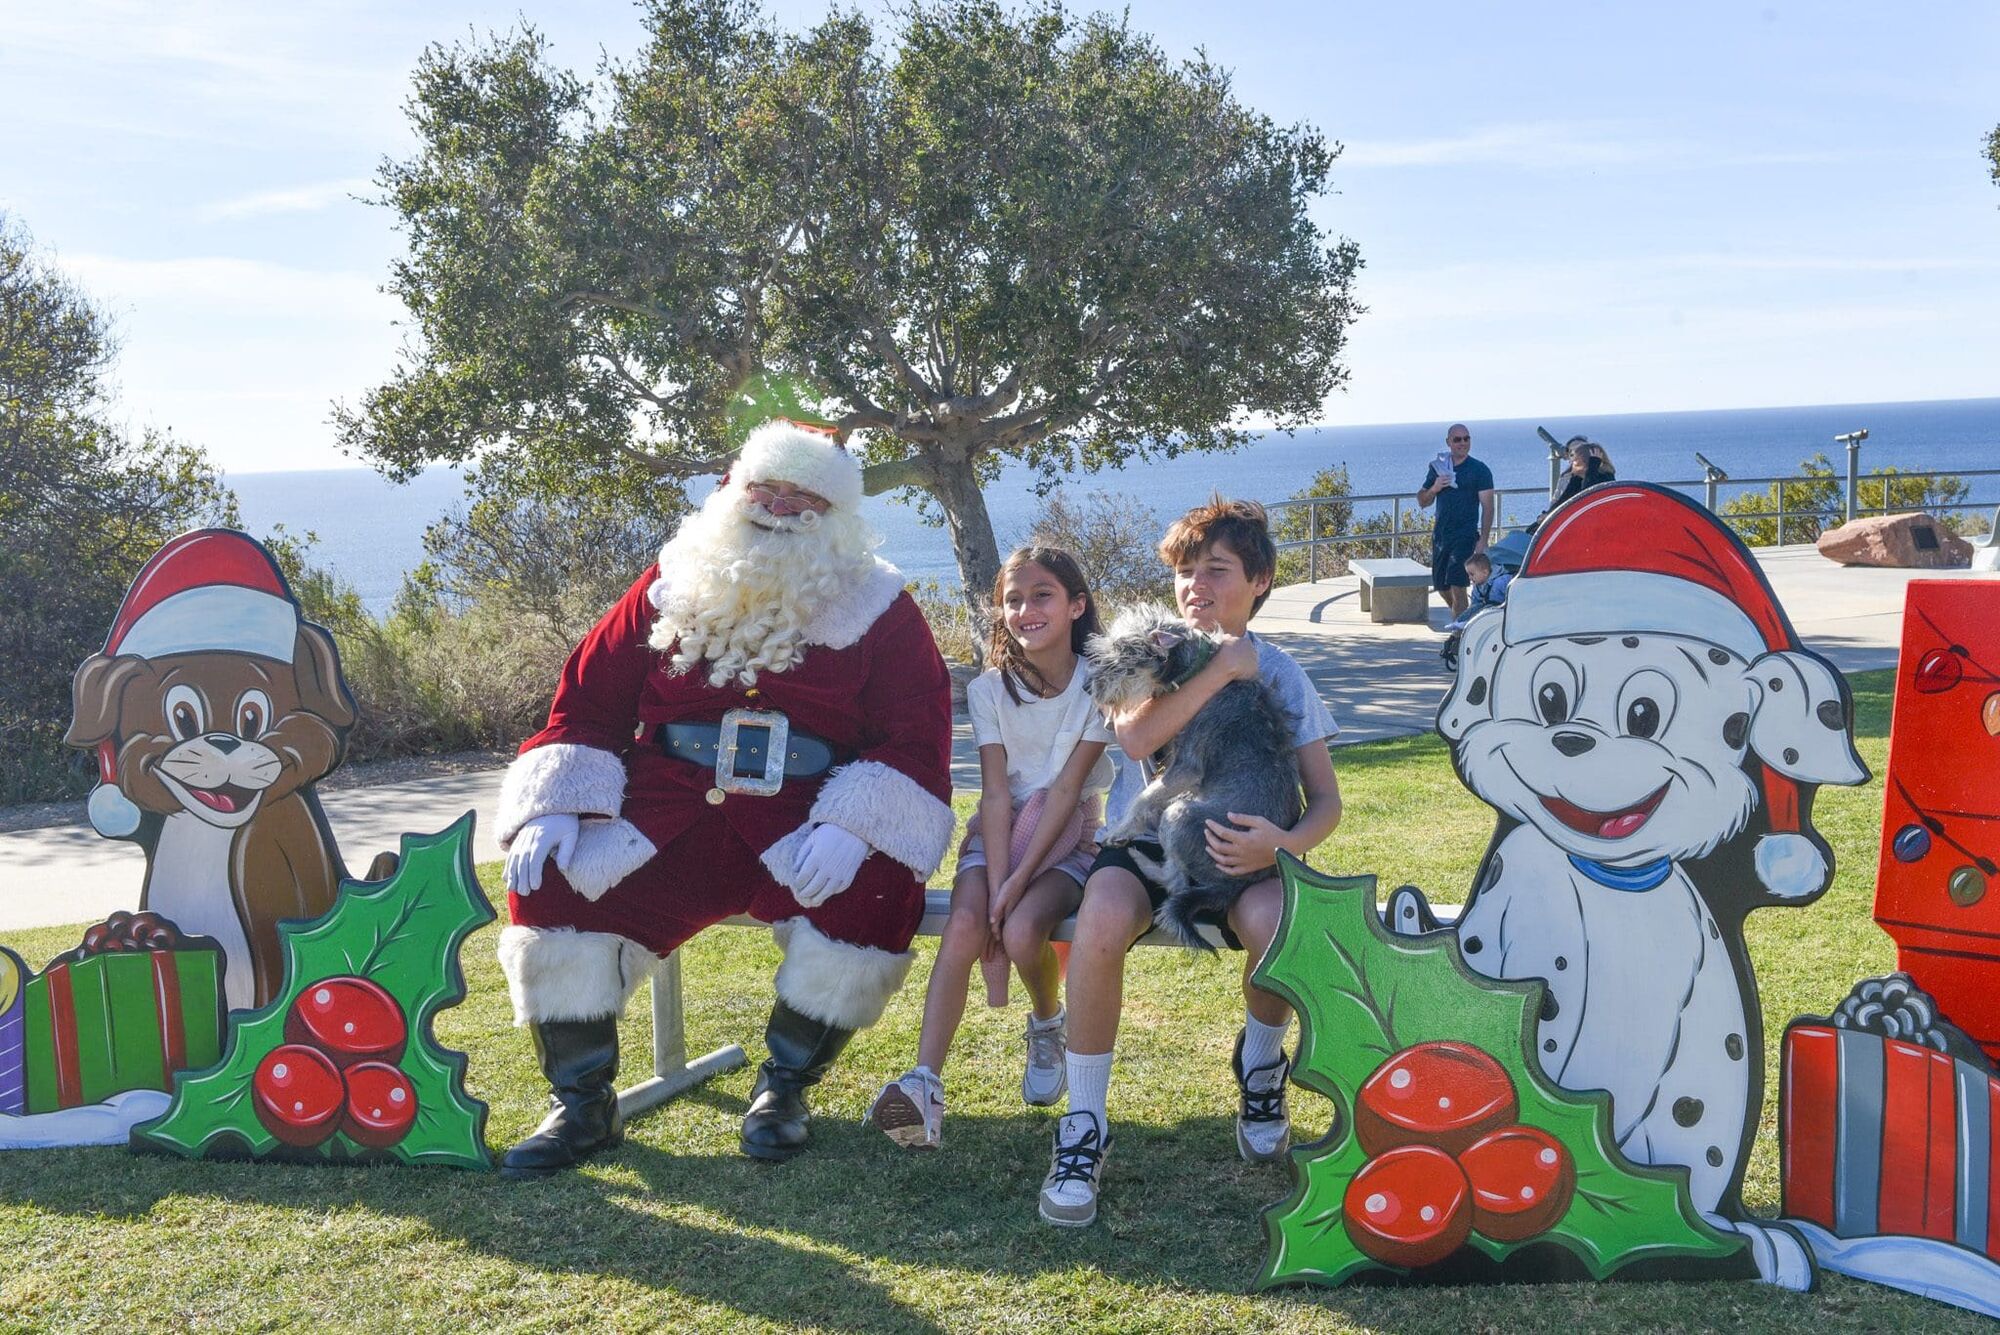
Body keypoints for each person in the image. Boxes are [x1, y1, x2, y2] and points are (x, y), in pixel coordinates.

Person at [494, 420, 955, 1176]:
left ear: (836, 517)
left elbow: (915, 739)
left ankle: (784, 1090)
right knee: (548, 878)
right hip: (664, 820)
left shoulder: (881, 606)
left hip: (797, 825)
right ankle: (583, 1105)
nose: (777, 508)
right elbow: (587, 701)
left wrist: (853, 824)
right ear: (732, 492)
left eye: (801, 498)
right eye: (763, 489)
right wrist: (555, 803)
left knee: (877, 889)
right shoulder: (671, 579)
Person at [1038, 498, 1343, 1228]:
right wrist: (1221, 669)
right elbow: (1139, 741)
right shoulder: (1151, 651)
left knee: (1273, 921)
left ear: (1260, 580)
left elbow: (1326, 800)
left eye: (1217, 571)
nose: (1196, 586)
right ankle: (1084, 1122)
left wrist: (1283, 844)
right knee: (1102, 916)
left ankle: (1261, 1066)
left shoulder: (1283, 672)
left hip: (1246, 841)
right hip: (1144, 841)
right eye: (1184, 572)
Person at [869, 547, 1115, 1151]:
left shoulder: (1102, 684)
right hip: (999, 837)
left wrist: (1016, 888)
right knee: (964, 928)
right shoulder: (987, 691)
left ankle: (1047, 1023)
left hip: (1069, 840)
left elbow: (1063, 793)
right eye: (1012, 599)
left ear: (1076, 605)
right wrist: (998, 880)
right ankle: (925, 1083)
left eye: (1042, 595)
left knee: (1028, 930)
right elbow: (997, 797)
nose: (1026, 609)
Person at [1416, 424, 1497, 622]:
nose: (1462, 443)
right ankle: (1466, 620)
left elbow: (1488, 507)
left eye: (1466, 438)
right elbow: (1422, 501)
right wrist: (1435, 488)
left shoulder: (1479, 470)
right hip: (1441, 537)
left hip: (1465, 536)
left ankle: (1459, 637)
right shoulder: (1438, 468)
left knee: (1458, 586)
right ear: (1448, 442)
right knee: (1441, 587)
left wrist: (1483, 540)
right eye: (1457, 439)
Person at [1527, 436, 1617, 535]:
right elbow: (1563, 500)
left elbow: (1586, 499)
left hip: (1588, 529)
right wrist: (1547, 516)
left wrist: (1592, 467)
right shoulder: (1576, 478)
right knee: (1530, 531)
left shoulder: (1605, 478)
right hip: (1573, 525)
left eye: (1575, 459)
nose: (1571, 462)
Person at [1439, 550, 1511, 671]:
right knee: (1475, 609)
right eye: (1469, 575)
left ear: (1485, 572)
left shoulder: (1501, 581)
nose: (1470, 578)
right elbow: (1475, 604)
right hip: (1488, 606)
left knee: (1485, 609)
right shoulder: (1478, 587)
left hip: (1500, 608)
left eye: (1472, 574)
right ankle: (1459, 623)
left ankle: (1463, 623)